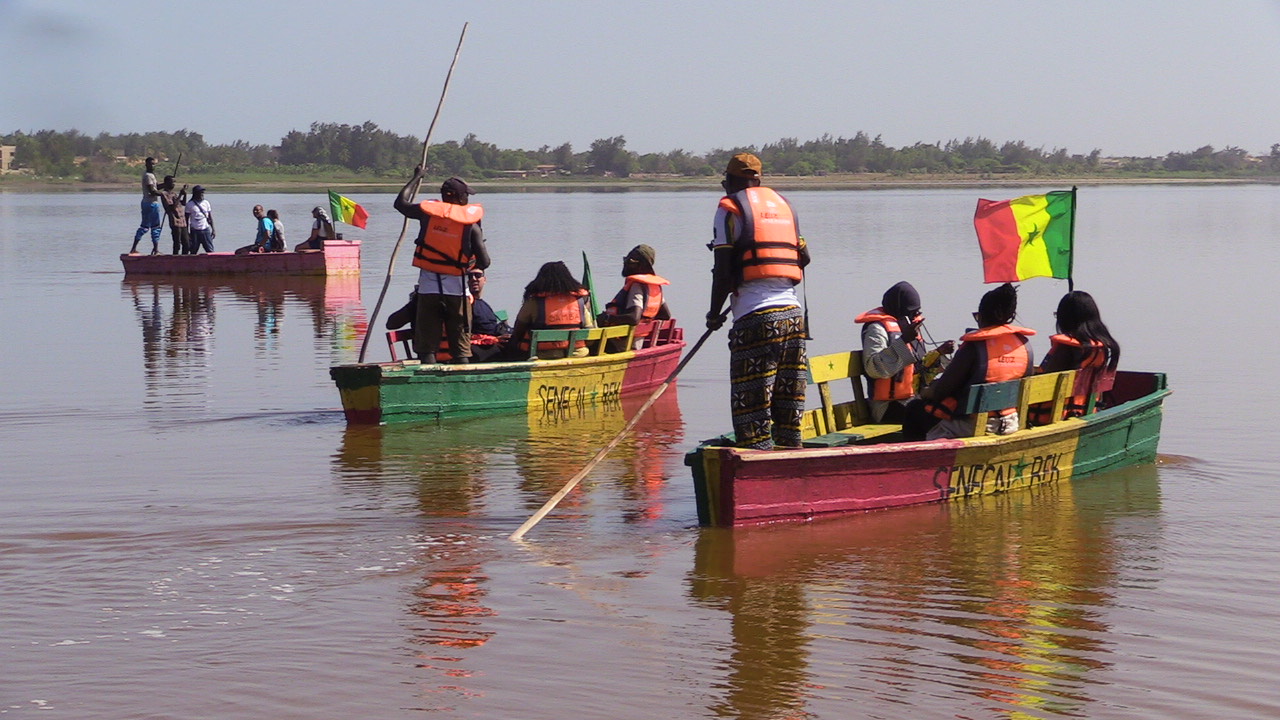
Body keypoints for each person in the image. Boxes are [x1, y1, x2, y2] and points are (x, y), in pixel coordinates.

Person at [706, 152, 810, 450]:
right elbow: (805, 257)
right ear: (758, 180)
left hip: (756, 319)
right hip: (792, 316)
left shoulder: (730, 209)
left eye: (726, 181)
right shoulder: (784, 207)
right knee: (788, 408)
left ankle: (756, 464)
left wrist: (714, 314)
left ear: (731, 182)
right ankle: (791, 461)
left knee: (751, 410)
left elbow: (722, 271)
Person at [902, 283, 1036, 440]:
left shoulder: (973, 347)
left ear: (984, 315)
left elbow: (941, 391)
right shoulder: (1024, 345)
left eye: (978, 316)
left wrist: (926, 391)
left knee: (914, 409)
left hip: (975, 425)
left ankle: (914, 461)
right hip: (1010, 422)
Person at [395, 167, 489, 364]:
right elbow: (485, 262)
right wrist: (469, 261)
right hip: (458, 291)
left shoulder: (427, 214)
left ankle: (428, 381)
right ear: (460, 197)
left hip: (428, 288)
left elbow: (400, 203)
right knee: (461, 348)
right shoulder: (470, 225)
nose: (468, 199)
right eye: (466, 195)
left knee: (427, 347)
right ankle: (462, 382)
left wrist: (416, 177)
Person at [856, 281, 954, 423]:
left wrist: (939, 353)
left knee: (952, 407)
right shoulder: (877, 329)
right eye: (912, 311)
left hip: (914, 399)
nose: (916, 315)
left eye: (918, 311)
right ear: (902, 311)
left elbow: (920, 370)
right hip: (888, 407)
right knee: (936, 417)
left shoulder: (909, 327)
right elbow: (874, 369)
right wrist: (904, 341)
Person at [1030, 290, 1121, 423]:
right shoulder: (1101, 348)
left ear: (1065, 319)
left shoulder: (1067, 348)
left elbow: (1046, 383)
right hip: (1083, 411)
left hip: (1055, 416)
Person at [507, 261, 593, 360]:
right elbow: (590, 332)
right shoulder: (579, 302)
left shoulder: (533, 301)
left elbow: (518, 331)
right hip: (578, 354)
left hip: (542, 355)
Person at [597, 244, 672, 327]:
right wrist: (646, 320)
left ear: (642, 266)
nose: (626, 263)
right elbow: (666, 315)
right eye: (626, 259)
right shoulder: (654, 286)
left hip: (624, 338)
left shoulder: (637, 286)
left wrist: (608, 318)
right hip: (639, 335)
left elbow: (634, 318)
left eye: (631, 262)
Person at [129, 157, 163, 255]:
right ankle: (135, 248)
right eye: (151, 164)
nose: (152, 166)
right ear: (146, 165)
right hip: (150, 204)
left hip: (151, 203)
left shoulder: (152, 175)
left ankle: (155, 249)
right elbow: (152, 191)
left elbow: (156, 187)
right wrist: (163, 194)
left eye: (154, 164)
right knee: (148, 227)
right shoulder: (148, 176)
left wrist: (166, 184)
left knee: (154, 227)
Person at [157, 175, 190, 255]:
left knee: (187, 244)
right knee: (177, 244)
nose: (174, 184)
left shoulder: (174, 193)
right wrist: (180, 195)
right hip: (175, 221)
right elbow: (172, 207)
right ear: (167, 183)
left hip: (183, 222)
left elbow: (183, 203)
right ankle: (175, 258)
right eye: (172, 182)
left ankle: (184, 259)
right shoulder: (164, 194)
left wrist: (184, 194)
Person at [184, 185, 215, 254]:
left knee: (210, 250)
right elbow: (186, 220)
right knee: (193, 250)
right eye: (200, 192)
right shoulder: (190, 204)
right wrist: (187, 233)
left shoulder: (206, 203)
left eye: (202, 192)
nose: (202, 194)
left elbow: (209, 217)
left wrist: (213, 229)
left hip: (205, 229)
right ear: (195, 193)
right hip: (194, 231)